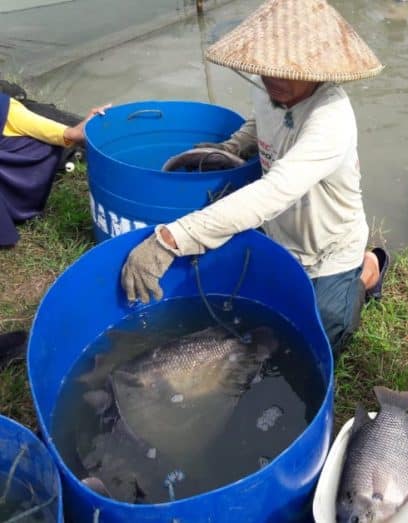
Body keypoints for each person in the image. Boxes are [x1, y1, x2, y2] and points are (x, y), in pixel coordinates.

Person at [120, 0, 390, 355]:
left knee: (318, 336)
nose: (271, 78)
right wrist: (234, 145)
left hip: (330, 247)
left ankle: (369, 269)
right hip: (281, 233)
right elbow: (259, 118)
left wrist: (170, 238)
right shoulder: (271, 86)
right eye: (266, 67)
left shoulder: (331, 118)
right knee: (254, 319)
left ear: (317, 69)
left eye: (285, 70)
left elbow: (273, 192)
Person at [0, 90, 110, 247]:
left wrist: (70, 134)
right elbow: (13, 116)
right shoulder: (7, 108)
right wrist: (72, 134)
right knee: (40, 143)